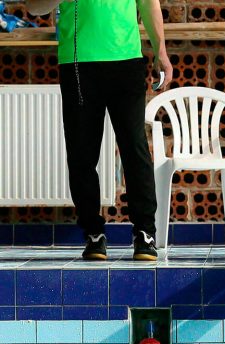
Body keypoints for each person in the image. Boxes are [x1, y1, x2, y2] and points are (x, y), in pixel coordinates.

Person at [26, 0, 172, 261]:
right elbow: (34, 8)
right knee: (82, 153)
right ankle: (94, 233)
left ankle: (145, 233)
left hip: (126, 62)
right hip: (78, 65)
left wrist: (161, 51)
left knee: (134, 149)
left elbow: (149, 5)